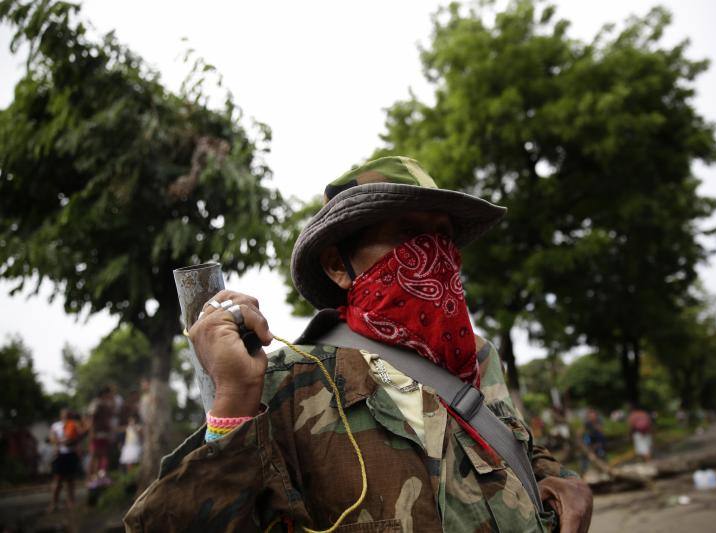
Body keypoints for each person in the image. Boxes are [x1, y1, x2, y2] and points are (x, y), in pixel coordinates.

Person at [125, 156, 593, 532]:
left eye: (443, 236)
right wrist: (230, 407)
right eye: (409, 234)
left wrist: (561, 480)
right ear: (337, 266)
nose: (434, 255)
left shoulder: (477, 355)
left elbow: (516, 446)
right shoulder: (286, 384)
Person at [49, 408, 82, 512]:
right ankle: (54, 503)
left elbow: (76, 438)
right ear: (61, 415)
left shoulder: (74, 425)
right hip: (60, 455)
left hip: (71, 454)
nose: (66, 416)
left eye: (68, 414)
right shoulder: (56, 426)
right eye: (65, 414)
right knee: (58, 480)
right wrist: (62, 442)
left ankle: (71, 503)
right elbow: (52, 438)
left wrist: (68, 441)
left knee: (71, 480)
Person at [87, 385, 114, 486]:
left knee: (103, 455)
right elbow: (92, 417)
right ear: (104, 393)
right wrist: (92, 432)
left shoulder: (106, 403)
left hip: (104, 433)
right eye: (109, 393)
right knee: (95, 455)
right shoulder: (96, 403)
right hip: (97, 433)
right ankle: (91, 478)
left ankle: (100, 477)